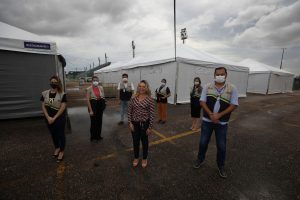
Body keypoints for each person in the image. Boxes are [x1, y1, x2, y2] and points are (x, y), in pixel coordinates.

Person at [193, 67, 239, 179]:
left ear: (226, 75)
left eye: (222, 74)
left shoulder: (232, 88)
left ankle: (221, 165)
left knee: (221, 146)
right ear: (214, 75)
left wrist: (219, 115)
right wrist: (211, 115)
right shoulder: (208, 87)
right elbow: (202, 101)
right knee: (203, 142)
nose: (220, 76)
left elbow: (234, 105)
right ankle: (200, 159)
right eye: (217, 74)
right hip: (207, 121)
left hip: (222, 123)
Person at [128, 80, 155, 168]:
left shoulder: (150, 99)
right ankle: (136, 158)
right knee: (135, 141)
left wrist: (150, 127)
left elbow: (152, 114)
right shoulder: (133, 97)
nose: (141, 88)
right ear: (138, 87)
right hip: (134, 123)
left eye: (143, 86)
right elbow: (129, 111)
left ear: (146, 88)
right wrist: (130, 123)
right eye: (140, 86)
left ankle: (144, 158)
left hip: (144, 124)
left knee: (144, 142)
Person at [41, 75, 67, 162]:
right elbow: (43, 106)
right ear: (50, 82)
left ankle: (62, 151)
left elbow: (63, 107)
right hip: (48, 118)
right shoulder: (45, 93)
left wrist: (54, 118)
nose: (53, 84)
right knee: (53, 134)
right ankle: (57, 147)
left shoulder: (62, 94)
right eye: (52, 82)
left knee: (60, 134)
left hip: (59, 118)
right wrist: (48, 117)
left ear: (58, 83)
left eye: (55, 82)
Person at [86, 76, 106, 142]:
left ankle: (98, 136)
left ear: (98, 81)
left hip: (100, 106)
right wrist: (91, 110)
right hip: (93, 107)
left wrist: (103, 106)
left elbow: (103, 97)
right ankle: (93, 137)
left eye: (96, 80)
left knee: (99, 121)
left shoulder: (101, 88)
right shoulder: (88, 89)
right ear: (92, 81)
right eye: (94, 80)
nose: (95, 82)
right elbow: (88, 100)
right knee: (93, 122)